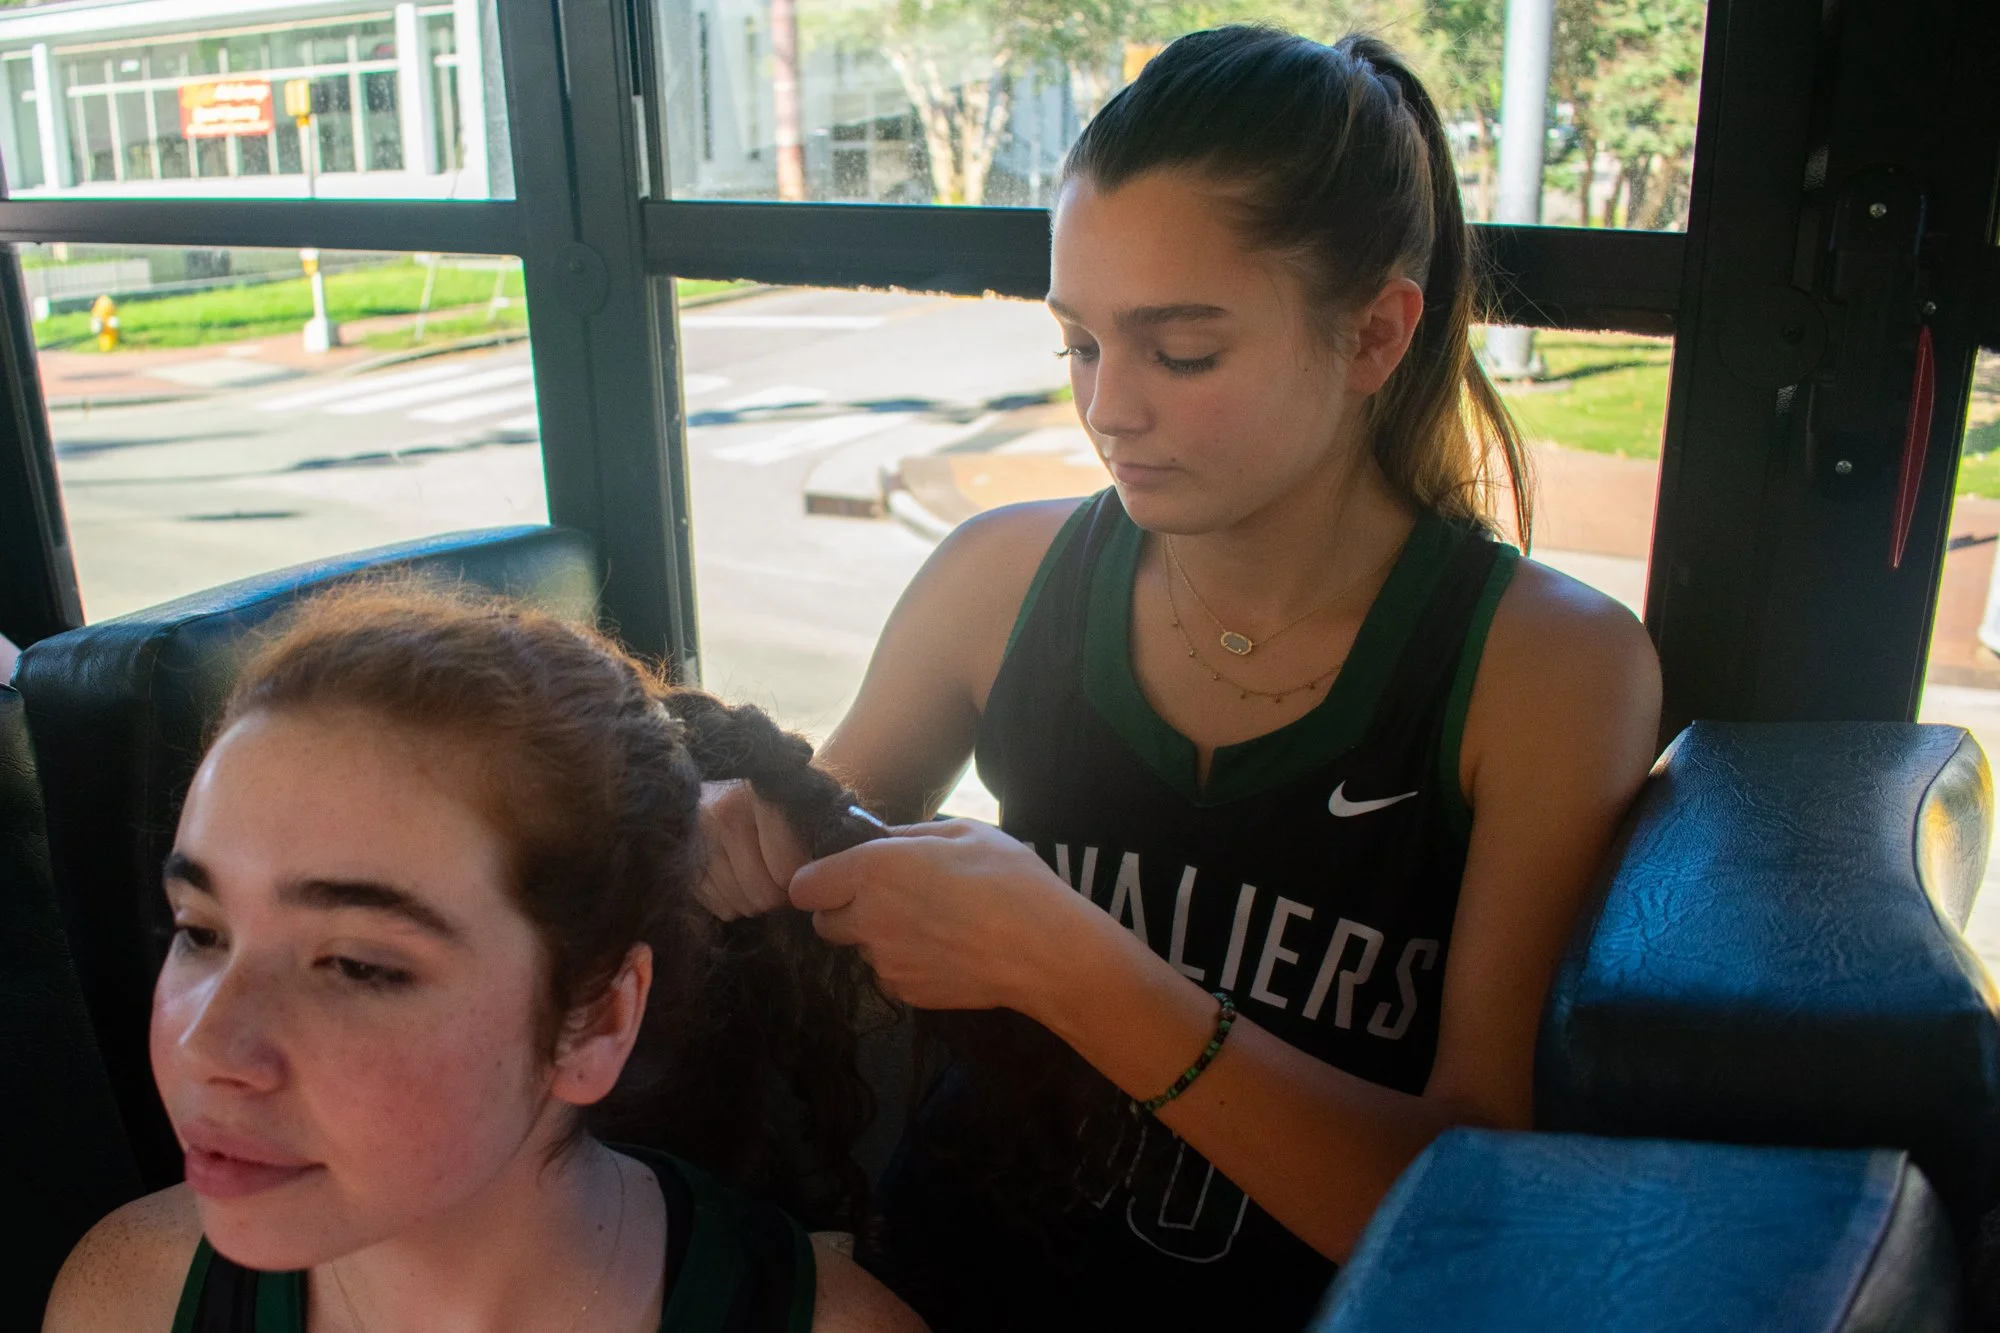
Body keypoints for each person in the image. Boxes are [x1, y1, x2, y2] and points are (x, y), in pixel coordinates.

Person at [697, 25, 1663, 1331]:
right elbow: (804, 878)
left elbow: (1474, 1206)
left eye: (1182, 353)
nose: (1110, 409)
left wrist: (1073, 964)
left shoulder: (1547, 668)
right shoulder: (1000, 577)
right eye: (1080, 344)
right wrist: (726, 849)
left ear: (1376, 334)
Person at [43, 586, 925, 1333]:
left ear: (594, 1018)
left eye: (354, 965)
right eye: (201, 931)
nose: (207, 1046)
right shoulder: (129, 1299)